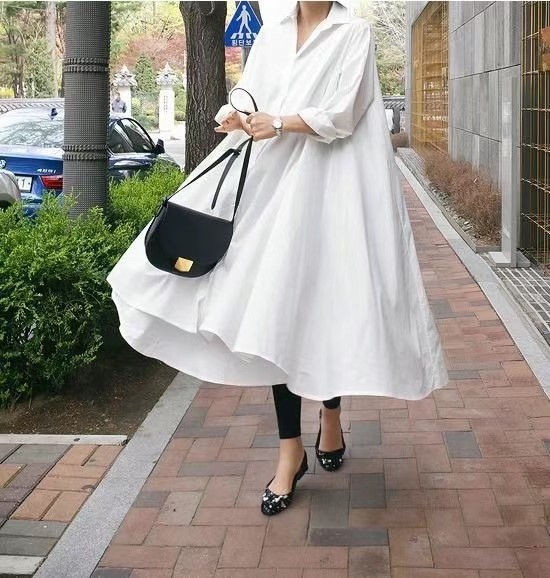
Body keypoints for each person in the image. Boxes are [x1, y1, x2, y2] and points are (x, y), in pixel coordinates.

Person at [107, 0, 450, 516]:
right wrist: (236, 112)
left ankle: (330, 416)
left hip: (332, 192)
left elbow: (343, 115)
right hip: (271, 192)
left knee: (325, 308)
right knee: (276, 314)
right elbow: (253, 91)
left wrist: (280, 122)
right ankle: (291, 450)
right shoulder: (272, 31)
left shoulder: (354, 33)